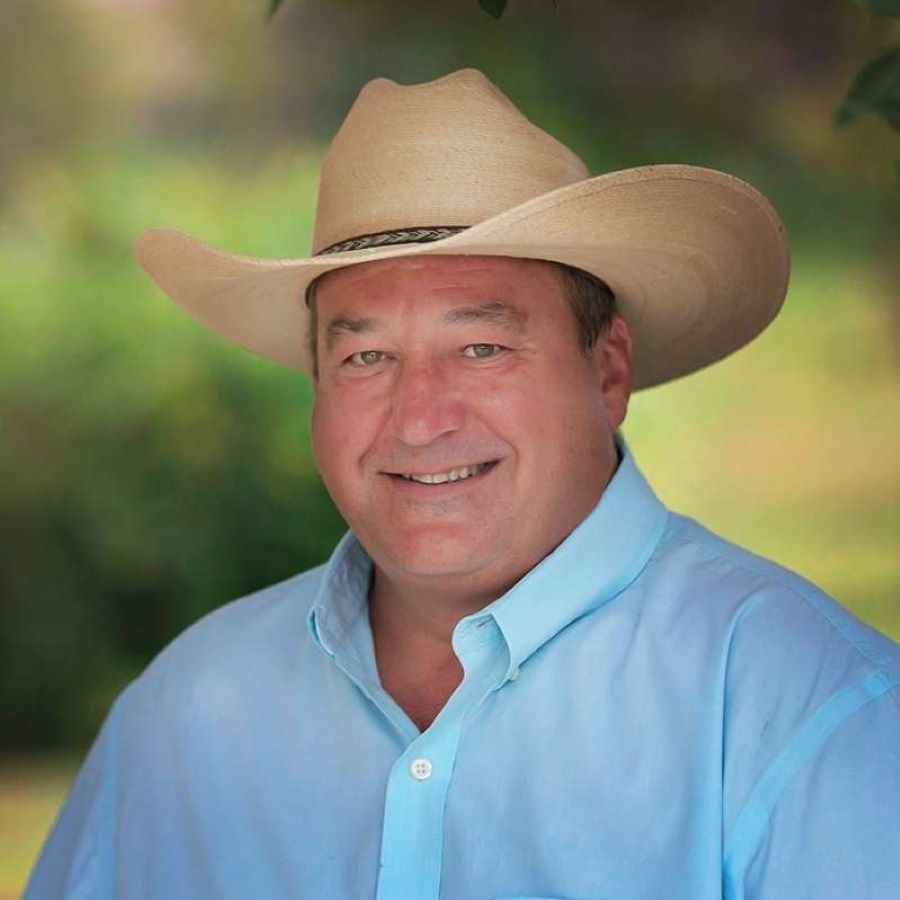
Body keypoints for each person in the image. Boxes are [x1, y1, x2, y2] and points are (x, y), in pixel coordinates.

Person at [27, 68, 899, 900]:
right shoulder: (185, 718)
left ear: (608, 371)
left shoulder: (810, 710)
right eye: (367, 357)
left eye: (482, 347)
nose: (418, 420)